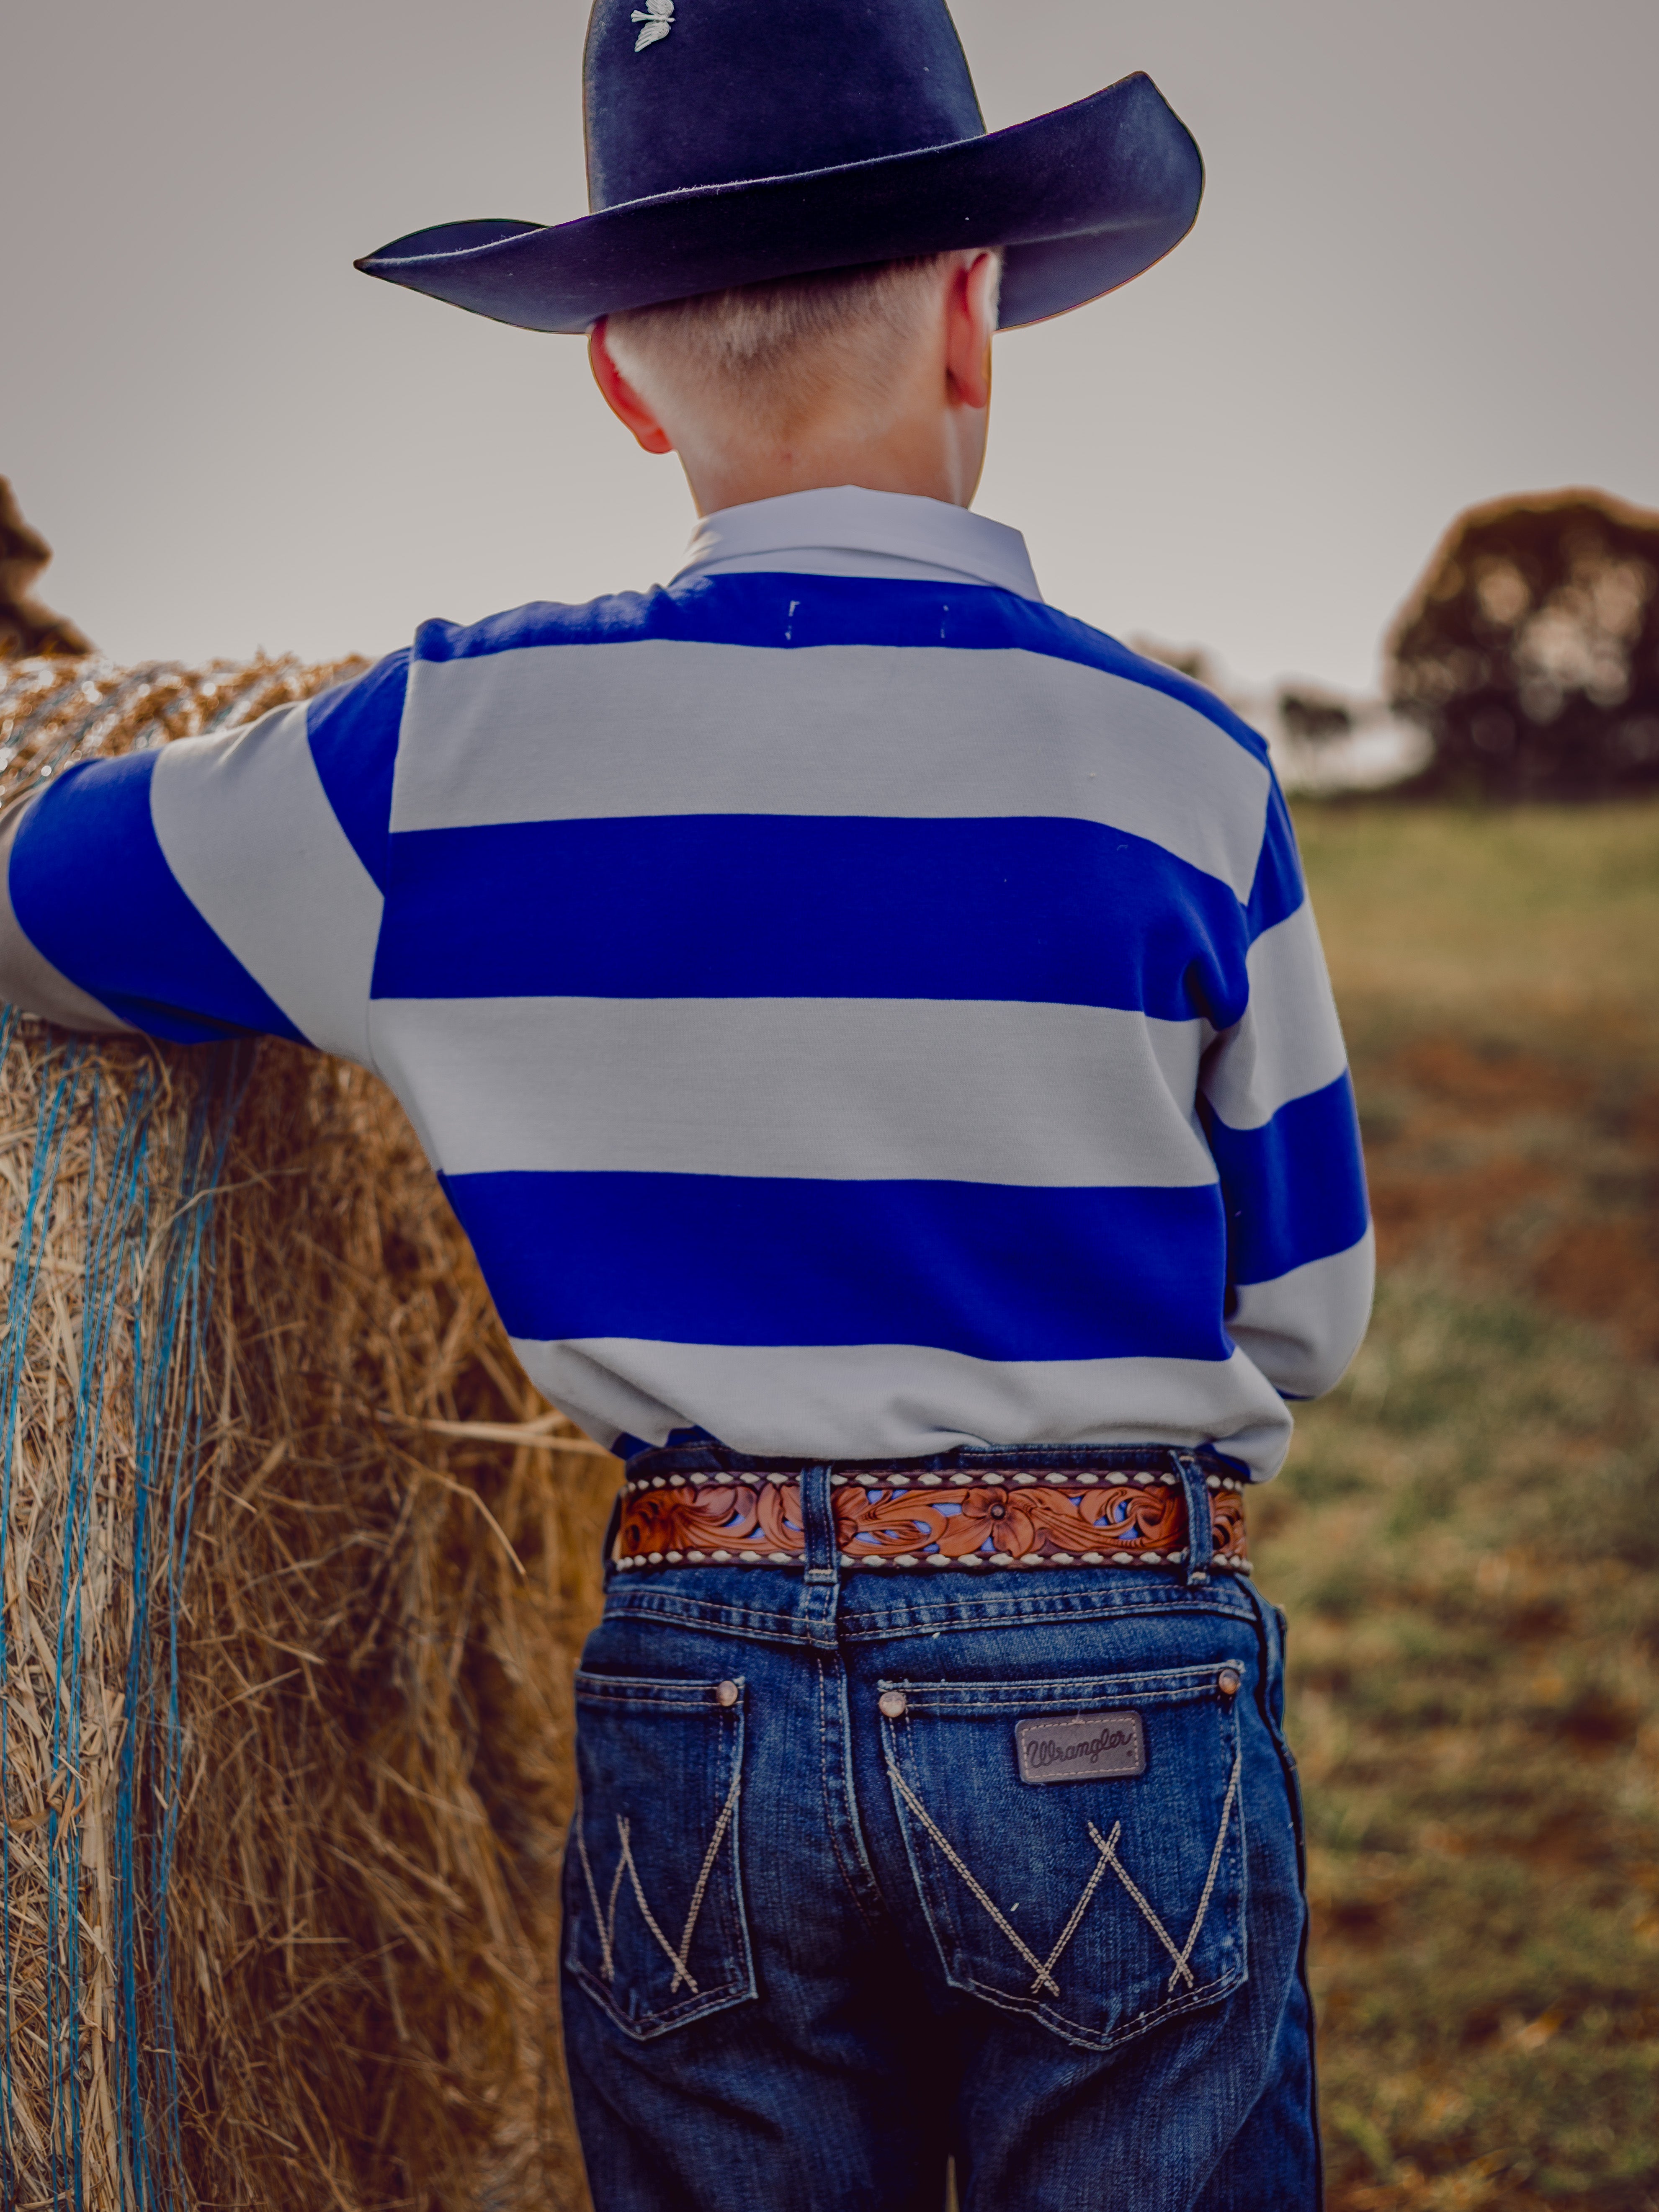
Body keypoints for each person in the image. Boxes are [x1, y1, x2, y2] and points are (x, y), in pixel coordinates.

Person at [0, 0, 1371, 2202]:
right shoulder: (1184, 768)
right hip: (1114, 1666)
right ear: (974, 314)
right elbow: (1305, 1306)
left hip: (695, 1693)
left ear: (618, 367)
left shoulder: (438, 752)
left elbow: (37, 901)